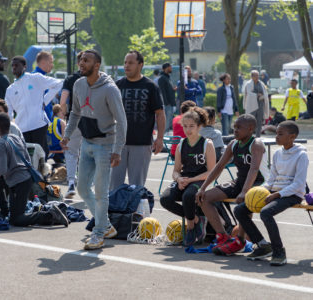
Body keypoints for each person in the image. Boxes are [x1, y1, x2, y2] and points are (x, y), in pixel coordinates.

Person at [60, 49, 127, 250]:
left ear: (96, 65)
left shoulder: (110, 89)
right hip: (87, 143)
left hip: (106, 145)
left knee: (100, 192)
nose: (81, 62)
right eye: (81, 59)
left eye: (86, 60)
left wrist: (118, 150)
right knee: (81, 188)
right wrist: (67, 135)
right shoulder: (78, 84)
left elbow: (122, 122)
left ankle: (98, 234)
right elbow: (75, 113)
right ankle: (105, 225)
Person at [233, 121, 307, 266]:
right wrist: (259, 190)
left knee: (266, 213)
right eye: (276, 133)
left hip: (293, 194)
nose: (276, 137)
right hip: (274, 192)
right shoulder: (277, 153)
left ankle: (279, 251)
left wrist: (277, 195)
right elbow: (271, 179)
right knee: (240, 210)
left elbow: (298, 184)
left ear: (292, 137)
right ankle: (262, 245)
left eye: (280, 134)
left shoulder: (301, 155)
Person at [196, 114, 269, 255]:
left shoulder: (256, 144)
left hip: (259, 183)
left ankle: (239, 241)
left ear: (250, 128)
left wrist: (244, 191)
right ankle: (223, 237)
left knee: (245, 203)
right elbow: (218, 167)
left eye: (238, 128)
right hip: (240, 182)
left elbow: (254, 169)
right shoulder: (233, 144)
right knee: (204, 198)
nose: (234, 130)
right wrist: (203, 187)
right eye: (234, 127)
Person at [0, 113, 69, 227]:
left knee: (17, 220)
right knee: (14, 217)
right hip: (25, 178)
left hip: (18, 182)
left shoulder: (1, 143)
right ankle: (5, 212)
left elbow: (2, 169)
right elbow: (27, 158)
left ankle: (50, 214)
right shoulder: (16, 138)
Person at [110, 50, 165, 190]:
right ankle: (114, 212)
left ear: (140, 65)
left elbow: (160, 113)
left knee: (137, 186)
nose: (126, 66)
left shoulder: (150, 86)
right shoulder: (117, 85)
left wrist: (159, 138)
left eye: (131, 63)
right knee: (113, 186)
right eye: (125, 62)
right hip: (118, 144)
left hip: (141, 143)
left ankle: (135, 212)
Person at [160, 107, 215, 246]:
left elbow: (211, 172)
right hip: (185, 179)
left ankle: (190, 227)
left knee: (188, 196)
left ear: (199, 126)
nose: (188, 129)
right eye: (185, 126)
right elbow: (176, 170)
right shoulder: (181, 145)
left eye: (191, 126)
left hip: (200, 179)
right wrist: (178, 179)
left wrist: (190, 180)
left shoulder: (207, 144)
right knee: (165, 199)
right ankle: (197, 220)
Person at [5, 55, 62, 157]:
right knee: (26, 158)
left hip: (39, 125)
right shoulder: (10, 89)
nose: (14, 67)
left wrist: (45, 101)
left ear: (24, 66)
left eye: (17, 65)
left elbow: (58, 84)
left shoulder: (35, 78)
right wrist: (10, 129)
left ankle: (42, 173)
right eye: (12, 65)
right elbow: (8, 111)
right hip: (21, 129)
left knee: (41, 157)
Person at [60, 52, 83, 198]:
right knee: (90, 152)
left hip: (73, 118)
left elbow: (63, 101)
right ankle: (89, 183)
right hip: (92, 120)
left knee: (71, 152)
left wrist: (64, 115)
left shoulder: (70, 79)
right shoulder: (95, 78)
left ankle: (71, 183)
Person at [243, 70, 269, 137]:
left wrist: (262, 96)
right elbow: (249, 93)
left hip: (260, 105)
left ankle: (258, 136)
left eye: (258, 75)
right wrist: (257, 95)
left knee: (259, 121)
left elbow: (265, 92)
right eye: (255, 75)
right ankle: (249, 136)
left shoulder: (261, 83)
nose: (257, 77)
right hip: (252, 105)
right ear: (252, 76)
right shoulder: (248, 84)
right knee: (250, 121)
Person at [33, 51, 55, 122]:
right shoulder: (37, 78)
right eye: (51, 62)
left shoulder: (39, 76)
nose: (52, 65)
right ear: (43, 62)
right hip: (40, 122)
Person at [158, 63, 177, 133]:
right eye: (170, 67)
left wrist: (173, 90)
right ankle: (163, 136)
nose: (171, 68)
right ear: (166, 68)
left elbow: (167, 90)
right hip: (167, 104)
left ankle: (165, 134)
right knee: (166, 121)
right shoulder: (162, 78)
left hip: (170, 103)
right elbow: (162, 92)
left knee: (169, 121)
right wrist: (166, 103)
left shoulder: (167, 78)